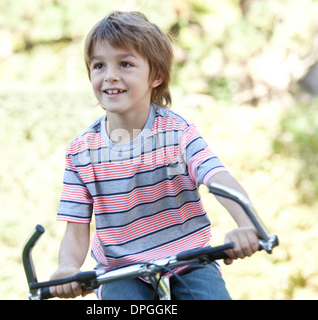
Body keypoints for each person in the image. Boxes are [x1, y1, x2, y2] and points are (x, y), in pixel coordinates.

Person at [49, 11, 259, 300]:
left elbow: (218, 178)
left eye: (125, 63)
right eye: (99, 65)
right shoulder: (80, 152)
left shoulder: (177, 133)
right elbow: (76, 228)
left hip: (188, 262)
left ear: (156, 76)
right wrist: (67, 267)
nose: (110, 75)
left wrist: (247, 225)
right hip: (122, 271)